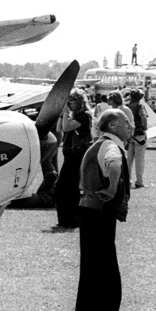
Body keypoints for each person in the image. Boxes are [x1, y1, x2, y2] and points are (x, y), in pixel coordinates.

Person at [72, 109, 133, 311]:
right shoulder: (111, 147)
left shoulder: (97, 144)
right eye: (126, 122)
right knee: (109, 278)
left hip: (88, 212)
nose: (130, 126)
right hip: (100, 213)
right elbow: (114, 163)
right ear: (113, 125)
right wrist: (111, 188)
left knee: (91, 275)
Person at [55, 90, 91, 229]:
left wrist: (64, 113)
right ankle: (65, 219)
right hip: (70, 157)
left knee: (67, 188)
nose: (68, 105)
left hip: (77, 157)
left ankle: (71, 219)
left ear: (79, 102)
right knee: (63, 188)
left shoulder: (84, 116)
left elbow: (66, 127)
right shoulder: (74, 116)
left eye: (71, 102)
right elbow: (60, 128)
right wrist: (61, 114)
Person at [123, 89, 149, 188]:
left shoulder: (127, 106)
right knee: (139, 160)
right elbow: (143, 117)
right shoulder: (140, 106)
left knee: (129, 160)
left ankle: (128, 180)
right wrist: (145, 128)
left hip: (130, 136)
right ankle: (139, 181)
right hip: (139, 135)